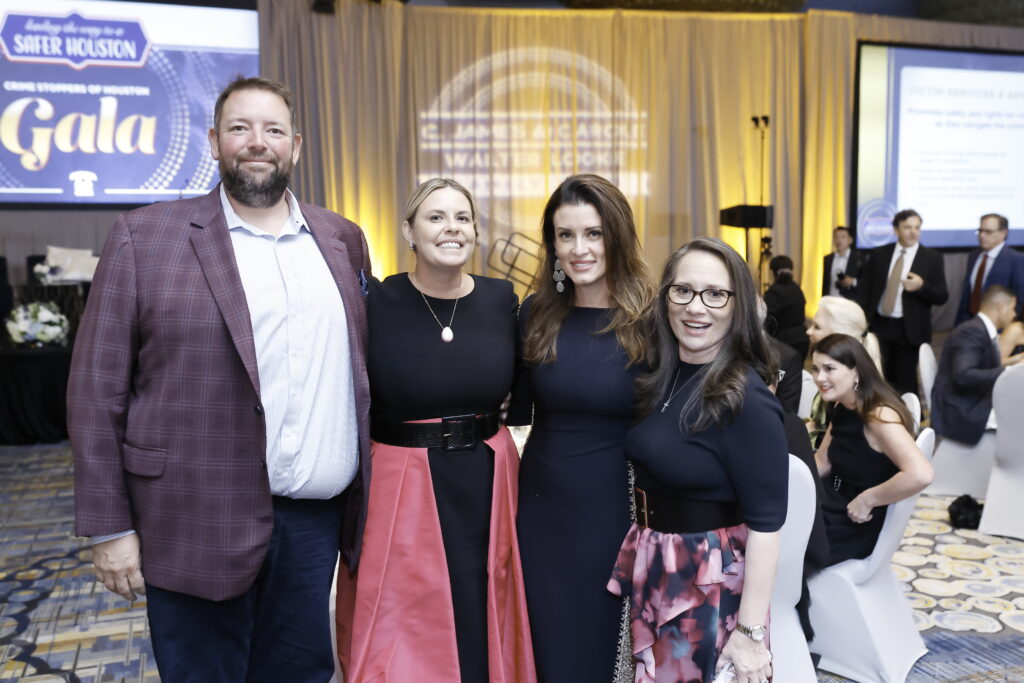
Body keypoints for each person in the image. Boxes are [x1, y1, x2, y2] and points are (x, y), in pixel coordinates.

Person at [67, 77, 372, 681]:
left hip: (313, 525)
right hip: (192, 517)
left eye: (273, 130)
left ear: (297, 146)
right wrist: (109, 526)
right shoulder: (144, 237)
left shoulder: (342, 240)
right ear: (213, 141)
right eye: (240, 128)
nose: (257, 143)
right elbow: (96, 392)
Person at [336, 178, 535, 683]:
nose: (452, 228)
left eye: (462, 218)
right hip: (402, 485)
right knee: (403, 624)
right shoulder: (375, 303)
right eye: (436, 217)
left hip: (488, 481)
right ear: (409, 231)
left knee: (483, 604)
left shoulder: (501, 300)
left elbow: (522, 387)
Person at [608, 237, 787, 683]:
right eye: (682, 290)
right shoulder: (663, 375)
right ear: (666, 296)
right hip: (661, 567)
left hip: (708, 585)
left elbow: (767, 525)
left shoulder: (746, 397)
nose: (696, 307)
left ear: (737, 305)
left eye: (715, 294)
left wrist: (748, 632)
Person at [509, 174, 655, 683]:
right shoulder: (536, 313)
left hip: (613, 507)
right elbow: (516, 411)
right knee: (544, 636)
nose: (579, 249)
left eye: (592, 233)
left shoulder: (651, 321)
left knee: (598, 640)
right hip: (540, 506)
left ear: (616, 235)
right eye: (565, 235)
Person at [811, 333, 933, 567]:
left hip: (852, 521)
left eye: (829, 369)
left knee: (777, 541)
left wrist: (868, 499)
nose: (820, 378)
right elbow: (824, 460)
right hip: (831, 501)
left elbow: (921, 474)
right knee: (771, 519)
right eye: (816, 369)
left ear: (856, 371)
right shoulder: (844, 404)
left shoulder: (878, 415)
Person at [861, 209, 948, 395]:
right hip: (880, 325)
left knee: (905, 382)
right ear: (896, 230)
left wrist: (921, 286)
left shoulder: (932, 258)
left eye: (917, 227)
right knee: (877, 377)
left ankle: (907, 420)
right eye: (907, 227)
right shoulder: (880, 254)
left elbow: (942, 296)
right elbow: (865, 289)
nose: (913, 232)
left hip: (909, 330)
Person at [932, 286, 1023, 446]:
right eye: (1013, 308)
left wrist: (1014, 362)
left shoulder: (979, 328)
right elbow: (963, 375)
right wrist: (1009, 372)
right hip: (961, 408)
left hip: (969, 398)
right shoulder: (971, 331)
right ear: (1001, 307)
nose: (1015, 314)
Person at [805, 296, 883, 448]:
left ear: (839, 337)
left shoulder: (853, 398)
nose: (809, 331)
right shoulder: (841, 385)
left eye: (817, 326)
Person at [954, 214, 1024, 325]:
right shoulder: (974, 256)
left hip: (998, 329)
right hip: (969, 324)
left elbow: (1020, 300)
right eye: (980, 231)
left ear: (1003, 233)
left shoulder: (1016, 259)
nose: (982, 236)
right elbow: (968, 295)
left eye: (988, 232)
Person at [764, 254, 809, 360]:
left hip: (783, 344)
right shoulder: (798, 290)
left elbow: (768, 322)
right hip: (802, 341)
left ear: (772, 273)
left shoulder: (773, 292)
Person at [822, 226, 868, 300]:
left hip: (850, 302)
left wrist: (853, 281)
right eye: (836, 237)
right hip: (830, 301)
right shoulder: (827, 259)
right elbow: (825, 283)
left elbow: (867, 282)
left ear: (850, 240)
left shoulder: (860, 258)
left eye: (843, 237)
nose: (839, 240)